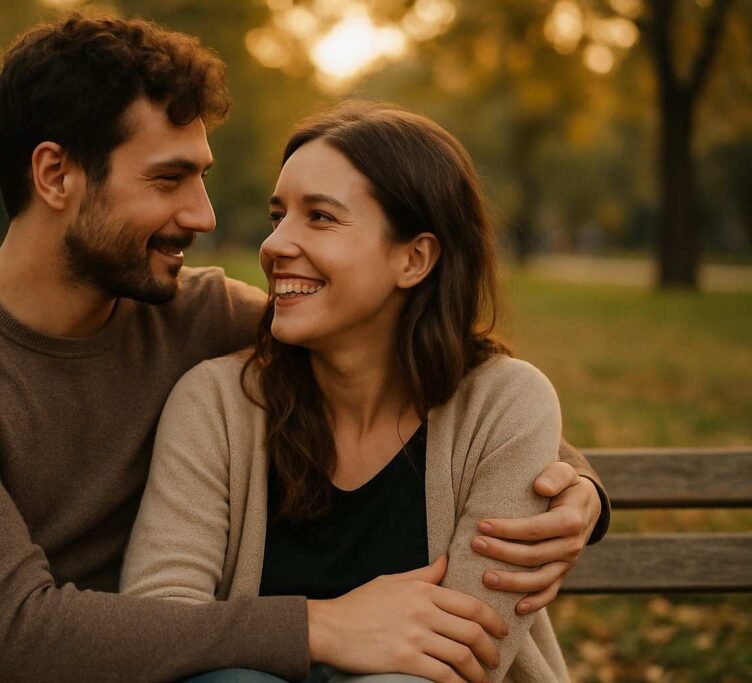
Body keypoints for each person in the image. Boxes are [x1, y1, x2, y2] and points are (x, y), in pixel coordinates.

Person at [0, 14, 608, 683]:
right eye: (169, 180)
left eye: (202, 178)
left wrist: (575, 489)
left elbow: (403, 367)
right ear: (55, 175)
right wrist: (320, 625)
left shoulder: (200, 314)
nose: (203, 215)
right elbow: (21, 634)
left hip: (140, 666)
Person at [121, 103, 584, 683]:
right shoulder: (216, 403)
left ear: (414, 258)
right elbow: (160, 624)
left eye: (320, 217)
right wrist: (325, 629)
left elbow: (467, 653)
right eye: (277, 216)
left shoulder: (504, 405)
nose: (275, 244)